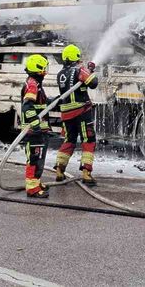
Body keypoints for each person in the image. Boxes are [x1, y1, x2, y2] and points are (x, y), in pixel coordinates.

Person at [54, 44, 99, 185]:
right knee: (88, 139)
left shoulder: (60, 74)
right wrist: (89, 70)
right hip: (81, 111)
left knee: (69, 140)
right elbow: (94, 83)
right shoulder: (79, 69)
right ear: (76, 57)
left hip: (66, 113)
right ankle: (86, 173)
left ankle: (59, 171)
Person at [21, 54, 53, 198]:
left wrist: (54, 100)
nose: (46, 71)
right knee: (34, 158)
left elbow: (39, 104)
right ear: (38, 69)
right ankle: (32, 188)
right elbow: (27, 107)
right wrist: (35, 126)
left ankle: (36, 182)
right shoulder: (32, 84)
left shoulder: (35, 84)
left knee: (39, 158)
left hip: (39, 130)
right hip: (33, 132)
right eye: (44, 68)